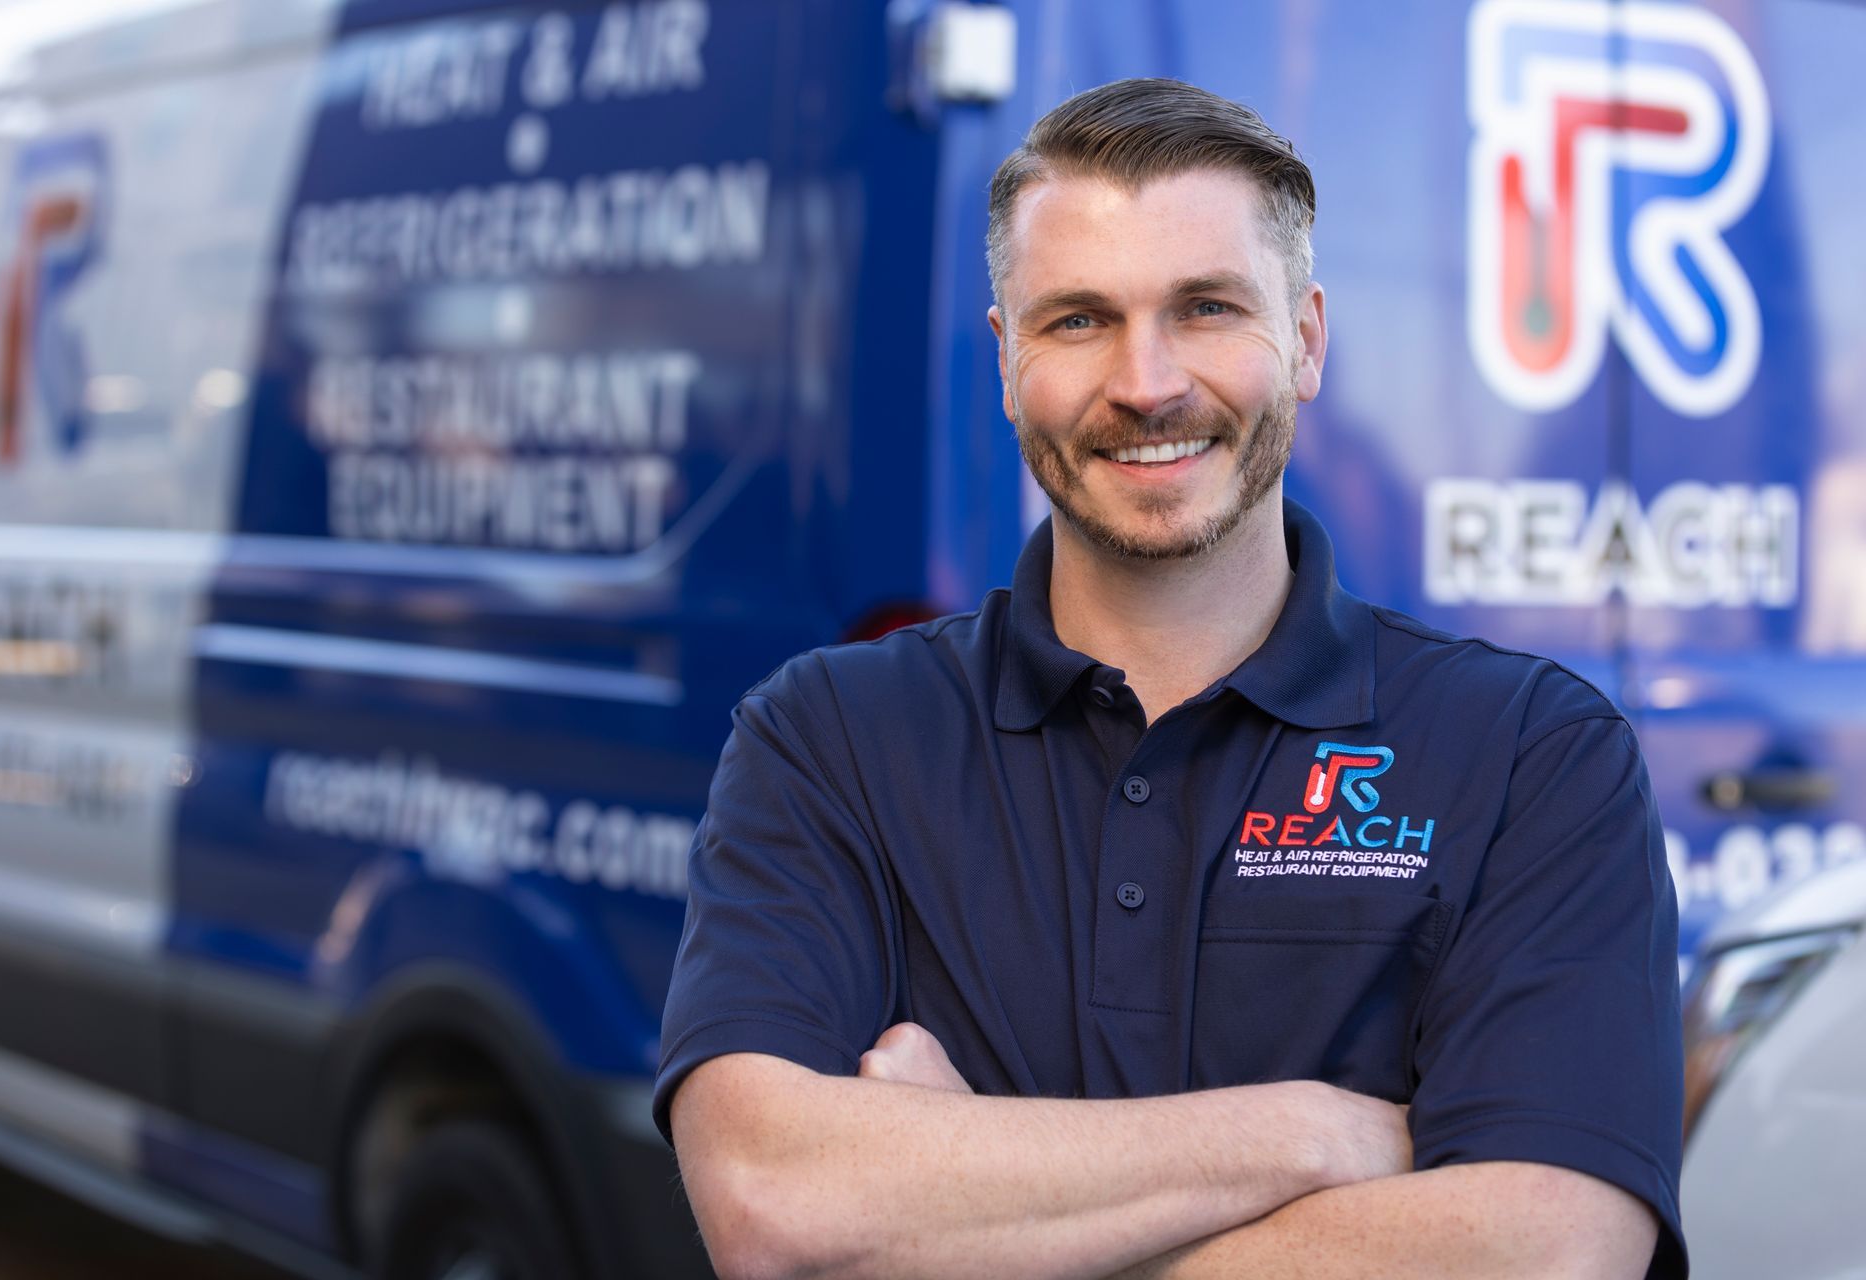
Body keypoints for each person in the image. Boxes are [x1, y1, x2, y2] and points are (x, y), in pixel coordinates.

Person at [653, 78, 1685, 1278]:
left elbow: (1545, 1256)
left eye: (1205, 308)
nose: (1146, 383)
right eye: (1079, 319)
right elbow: (773, 1200)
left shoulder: (1534, 753)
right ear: (1005, 359)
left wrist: (959, 1189)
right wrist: (1308, 1132)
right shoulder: (828, 738)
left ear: (1302, 338)